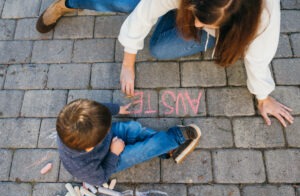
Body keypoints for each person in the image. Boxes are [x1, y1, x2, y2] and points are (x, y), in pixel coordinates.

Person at [36, 0, 294, 127]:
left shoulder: (263, 20)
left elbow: (258, 59)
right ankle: (68, 3)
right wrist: (128, 60)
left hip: (222, 20)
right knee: (130, 2)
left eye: (206, 23)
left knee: (160, 47)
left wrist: (263, 97)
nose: (195, 25)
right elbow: (143, 14)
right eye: (196, 16)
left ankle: (180, 17)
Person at [56, 99, 201, 185]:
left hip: (110, 142)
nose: (108, 127)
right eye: (106, 129)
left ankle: (165, 150)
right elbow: (100, 178)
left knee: (133, 128)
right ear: (90, 148)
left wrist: (118, 109)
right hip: (109, 160)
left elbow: (100, 110)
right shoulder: (81, 167)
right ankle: (176, 137)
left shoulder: (78, 119)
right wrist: (114, 153)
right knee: (141, 151)